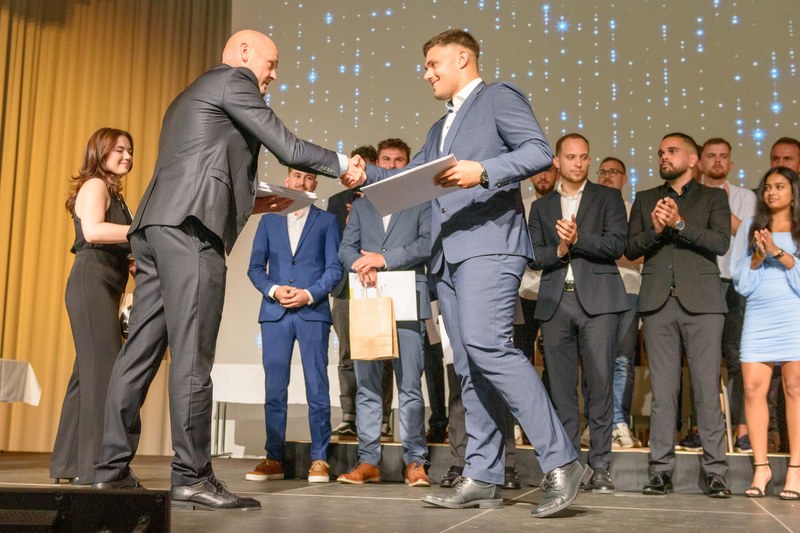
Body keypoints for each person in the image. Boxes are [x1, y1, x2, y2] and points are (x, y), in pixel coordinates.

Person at [93, 29, 363, 511]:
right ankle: (192, 476)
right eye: (270, 63)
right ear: (243, 53)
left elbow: (201, 163)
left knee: (139, 353)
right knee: (193, 356)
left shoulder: (189, 95)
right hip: (191, 231)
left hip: (156, 227)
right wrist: (343, 164)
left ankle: (109, 471)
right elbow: (289, 147)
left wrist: (253, 201)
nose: (272, 75)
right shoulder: (234, 80)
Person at [360, 29, 588, 519]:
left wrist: (481, 170)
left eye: (433, 64)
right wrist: (361, 173)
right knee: (468, 364)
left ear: (462, 57)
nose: (426, 74)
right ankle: (482, 474)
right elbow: (408, 179)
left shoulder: (497, 97)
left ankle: (563, 461)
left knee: (489, 347)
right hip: (449, 257)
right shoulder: (438, 129)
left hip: (490, 246)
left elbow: (537, 151)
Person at [626, 132, 732, 498]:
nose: (664, 157)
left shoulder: (714, 197)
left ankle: (716, 472)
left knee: (706, 389)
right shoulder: (645, 199)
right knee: (663, 392)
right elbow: (631, 247)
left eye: (672, 151)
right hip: (658, 303)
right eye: (661, 152)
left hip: (703, 304)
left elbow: (720, 242)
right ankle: (660, 471)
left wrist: (680, 224)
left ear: (693, 159)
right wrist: (657, 230)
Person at [529, 134, 629, 494]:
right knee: (561, 390)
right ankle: (568, 466)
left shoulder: (607, 197)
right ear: (557, 162)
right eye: (571, 157)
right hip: (556, 302)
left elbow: (617, 244)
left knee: (600, 385)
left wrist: (577, 239)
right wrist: (560, 248)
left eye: (584, 157)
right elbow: (533, 255)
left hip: (599, 302)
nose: (578, 163)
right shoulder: (542, 207)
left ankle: (600, 466)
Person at [244, 167, 341, 484]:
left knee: (317, 387)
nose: (301, 181)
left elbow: (334, 269)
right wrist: (274, 290)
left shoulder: (326, 221)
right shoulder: (269, 220)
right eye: (297, 176)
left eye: (308, 178)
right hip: (275, 313)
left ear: (315, 184)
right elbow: (255, 268)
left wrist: (309, 294)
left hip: (312, 312)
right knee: (274, 389)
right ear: (286, 180)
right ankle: (274, 458)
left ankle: (319, 459)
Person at [50, 128, 135, 486]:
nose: (127, 156)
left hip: (105, 285)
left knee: (86, 376)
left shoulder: (115, 194)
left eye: (130, 151)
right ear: (100, 152)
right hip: (91, 283)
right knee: (104, 374)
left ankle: (69, 464)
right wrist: (140, 231)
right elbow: (94, 232)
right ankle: (100, 467)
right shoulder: (96, 185)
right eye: (119, 150)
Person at [336, 188, 432, 487]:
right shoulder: (362, 206)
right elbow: (346, 248)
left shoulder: (419, 199)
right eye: (384, 164)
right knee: (367, 384)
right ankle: (368, 461)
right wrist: (360, 263)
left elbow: (427, 243)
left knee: (410, 385)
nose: (390, 168)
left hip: (407, 298)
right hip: (369, 296)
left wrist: (383, 259)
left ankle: (415, 461)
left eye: (396, 164)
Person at [731, 166, 800, 500]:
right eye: (768, 187)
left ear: (794, 193)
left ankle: (796, 470)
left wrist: (778, 253)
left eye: (780, 186)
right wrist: (758, 256)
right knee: (752, 389)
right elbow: (741, 281)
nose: (772, 192)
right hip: (759, 315)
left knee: (795, 389)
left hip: (794, 315)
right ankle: (762, 467)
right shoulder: (750, 227)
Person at [698, 138, 757, 453]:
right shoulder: (692, 195)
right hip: (703, 282)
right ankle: (701, 428)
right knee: (702, 360)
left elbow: (748, 236)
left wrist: (719, 205)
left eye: (723, 156)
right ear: (700, 162)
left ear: (731, 163)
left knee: (737, 357)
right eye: (711, 156)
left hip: (736, 283)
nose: (717, 161)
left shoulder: (745, 197)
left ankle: (743, 429)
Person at [329, 145, 376, 440]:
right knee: (346, 353)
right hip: (345, 286)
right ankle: (349, 416)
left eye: (367, 167)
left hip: (375, 282)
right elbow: (333, 244)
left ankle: (381, 418)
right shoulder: (337, 202)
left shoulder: (383, 197)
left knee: (378, 352)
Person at [596, 157, 643, 450]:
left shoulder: (633, 210)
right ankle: (599, 423)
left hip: (628, 288)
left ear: (624, 179)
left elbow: (640, 252)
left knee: (622, 359)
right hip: (595, 290)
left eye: (613, 172)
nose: (607, 176)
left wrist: (603, 250)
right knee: (595, 359)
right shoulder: (590, 207)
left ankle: (618, 422)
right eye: (602, 172)